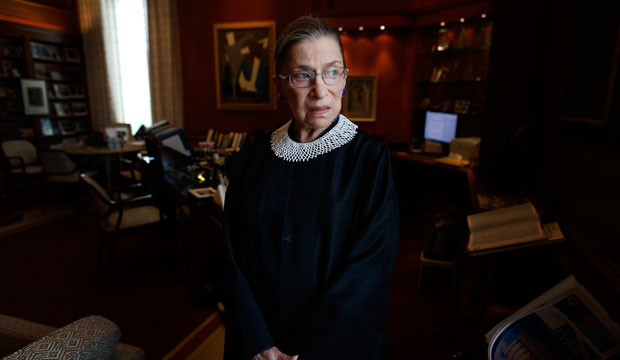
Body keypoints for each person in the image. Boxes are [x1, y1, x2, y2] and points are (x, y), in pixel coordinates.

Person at [223, 15, 399, 360]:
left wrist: (305, 350)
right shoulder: (252, 156)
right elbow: (231, 254)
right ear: (280, 85)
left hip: (335, 342)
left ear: (345, 79)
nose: (321, 90)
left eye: (332, 72)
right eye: (303, 75)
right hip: (257, 340)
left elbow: (369, 270)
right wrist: (258, 341)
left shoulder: (370, 160)